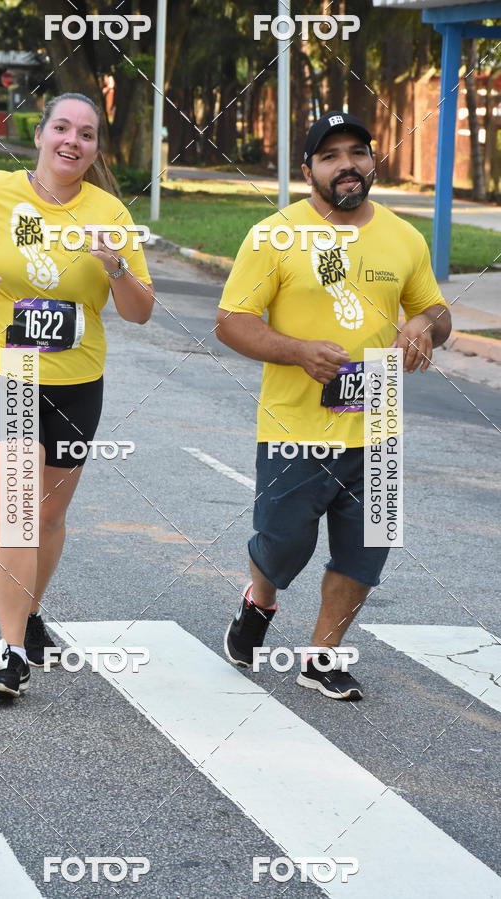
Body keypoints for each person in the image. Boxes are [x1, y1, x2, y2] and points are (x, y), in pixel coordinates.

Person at [0, 92, 154, 699]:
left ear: (97, 148)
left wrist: (118, 268)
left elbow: (141, 313)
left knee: (47, 516)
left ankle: (26, 615)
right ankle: (11, 651)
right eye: (62, 128)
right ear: (41, 134)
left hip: (75, 385)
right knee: (18, 505)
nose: (72, 141)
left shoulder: (109, 215)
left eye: (87, 134)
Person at [216, 111, 452, 701]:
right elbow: (230, 323)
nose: (347, 164)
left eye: (357, 152)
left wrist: (423, 323)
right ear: (308, 171)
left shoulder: (404, 237)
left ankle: (322, 656)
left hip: (379, 426)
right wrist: (296, 351)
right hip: (295, 426)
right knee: (283, 544)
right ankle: (260, 599)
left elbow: (438, 312)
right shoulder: (274, 235)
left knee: (367, 551)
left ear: (373, 161)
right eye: (330, 155)